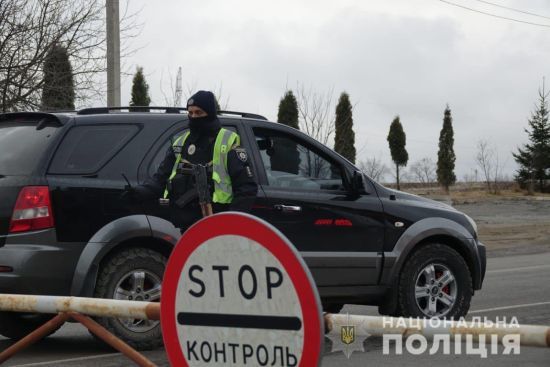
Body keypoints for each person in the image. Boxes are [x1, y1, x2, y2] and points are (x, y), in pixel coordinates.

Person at [127, 90, 258, 228]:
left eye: (199, 113)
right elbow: (160, 178)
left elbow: (246, 188)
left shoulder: (227, 141)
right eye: (190, 113)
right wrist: (140, 192)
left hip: (217, 224)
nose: (194, 117)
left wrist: (229, 223)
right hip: (186, 226)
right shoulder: (181, 142)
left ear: (210, 114)